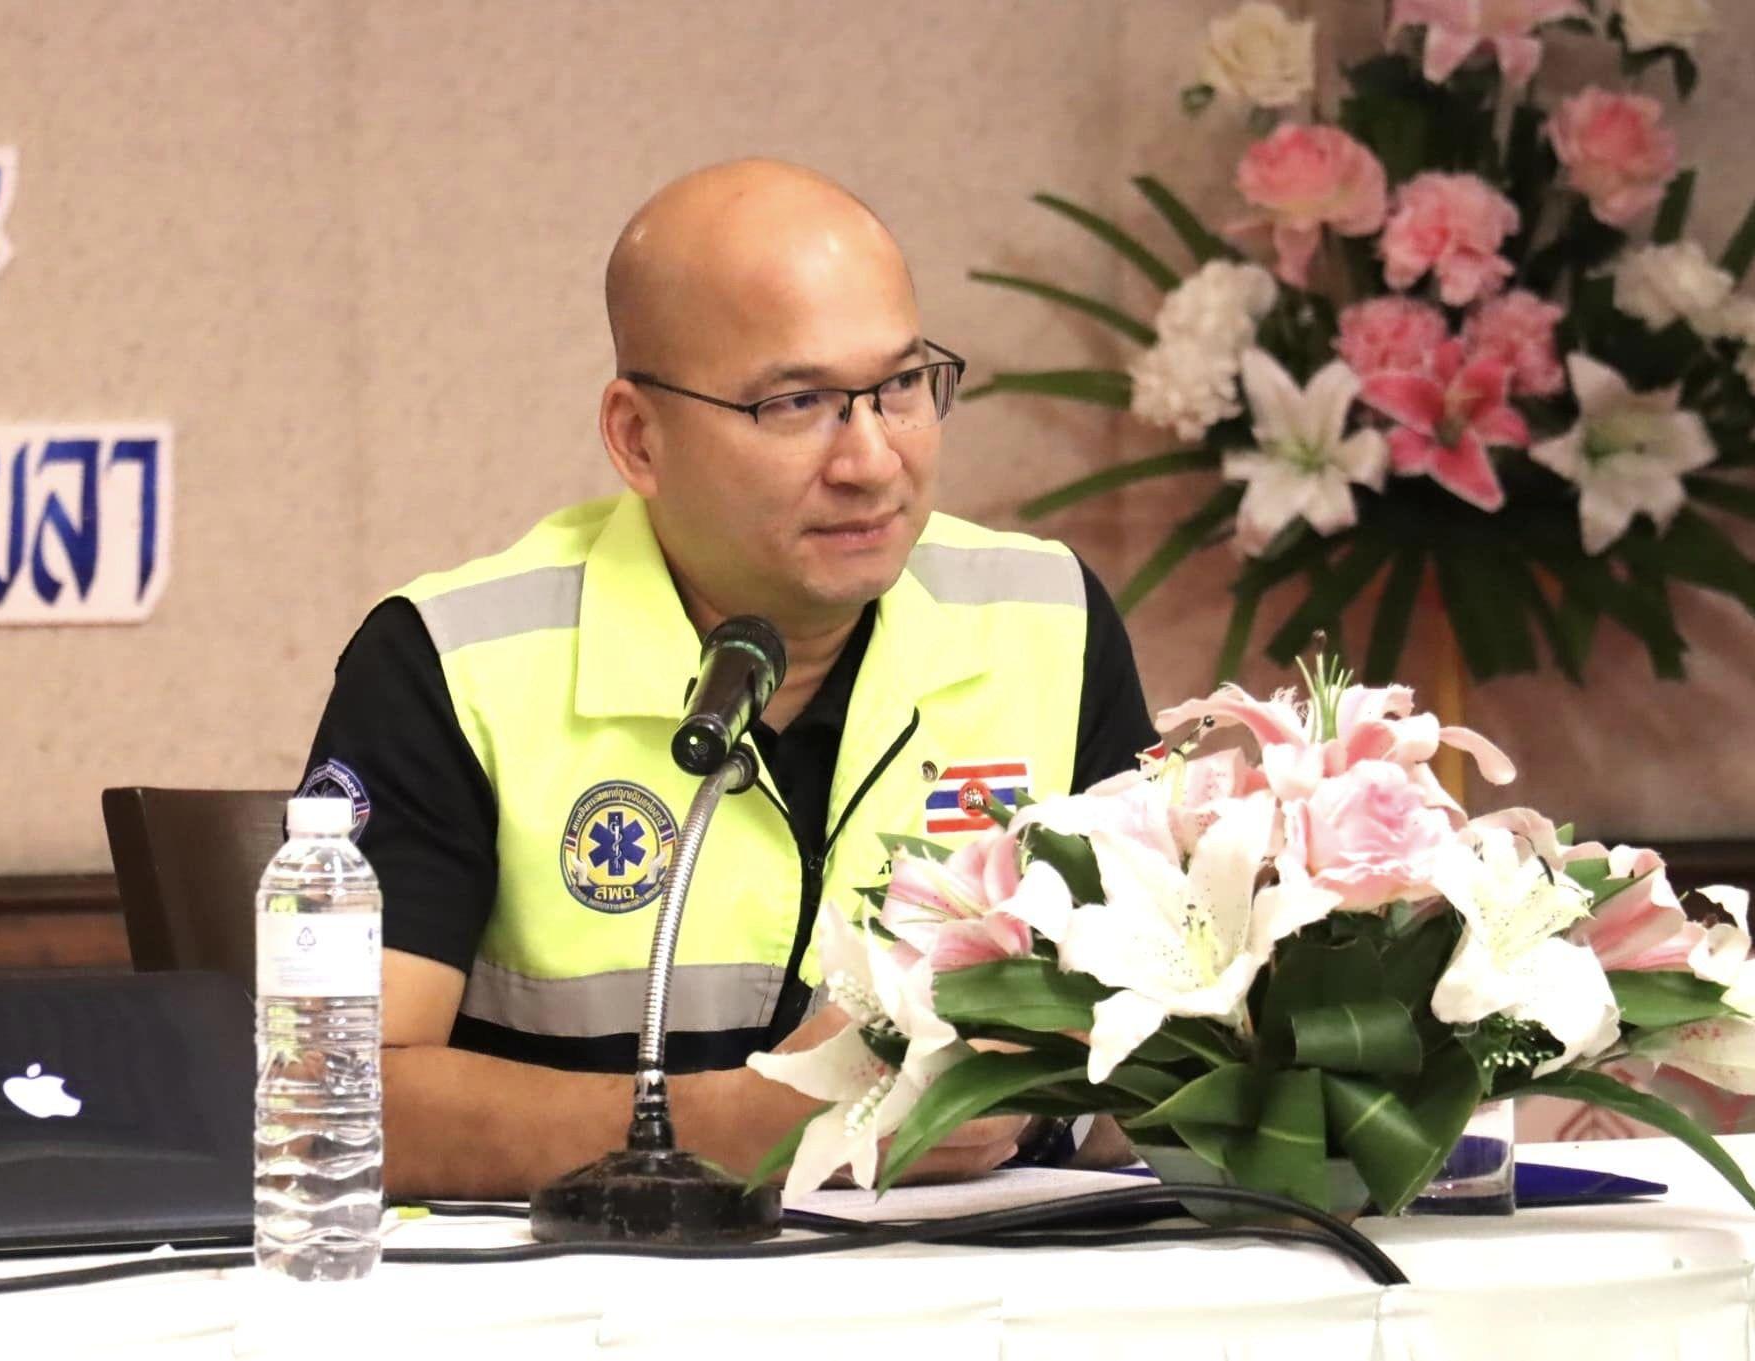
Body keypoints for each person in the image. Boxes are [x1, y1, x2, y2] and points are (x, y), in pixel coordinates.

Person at [298, 159, 1160, 1200]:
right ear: (638, 438)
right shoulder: (453, 663)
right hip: (591, 1281)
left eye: (898, 387)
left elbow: (1167, 1051)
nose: (871, 460)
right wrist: (727, 1130)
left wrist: (1054, 1106)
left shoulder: (1046, 620)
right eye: (796, 402)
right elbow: (332, 1104)